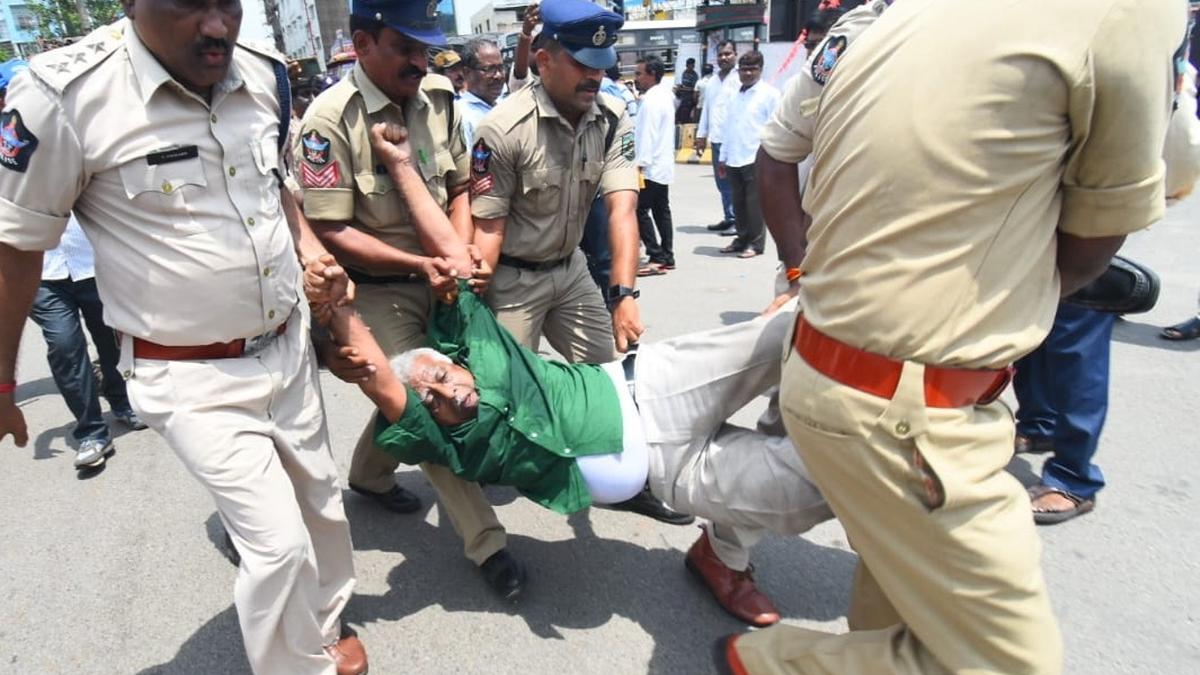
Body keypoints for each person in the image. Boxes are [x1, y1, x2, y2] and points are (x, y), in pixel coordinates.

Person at [724, 1, 1186, 674]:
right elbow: (1100, 234)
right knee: (1009, 661)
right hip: (911, 407)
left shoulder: (904, 15)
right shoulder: (1123, 11)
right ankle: (769, 659)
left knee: (902, 609)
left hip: (841, 368)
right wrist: (1008, 296)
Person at [320, 121, 835, 627]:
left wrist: (401, 163)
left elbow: (454, 256)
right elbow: (380, 378)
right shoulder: (450, 441)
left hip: (657, 388)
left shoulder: (475, 338)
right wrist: (336, 302)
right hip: (673, 472)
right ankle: (723, 554)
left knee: (800, 329)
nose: (445, 393)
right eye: (430, 402)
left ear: (452, 355)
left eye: (439, 375)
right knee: (817, 485)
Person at [0, 2, 373, 673]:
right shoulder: (63, 96)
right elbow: (18, 247)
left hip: (286, 351)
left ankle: (324, 619)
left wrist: (311, 249)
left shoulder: (262, 74)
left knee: (321, 504)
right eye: (188, 4)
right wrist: (1, 379)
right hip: (188, 373)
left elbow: (274, 185)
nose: (216, 26)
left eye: (227, 3)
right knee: (278, 544)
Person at [296, 0, 528, 598]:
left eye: (425, 48)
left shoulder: (437, 99)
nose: (420, 61)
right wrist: (418, 262)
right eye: (405, 47)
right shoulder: (328, 121)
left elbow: (457, 188)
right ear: (363, 43)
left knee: (400, 396)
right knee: (431, 402)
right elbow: (330, 230)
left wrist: (457, 249)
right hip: (373, 297)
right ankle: (488, 543)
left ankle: (369, 476)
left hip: (441, 285)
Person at [469, 0, 691, 526]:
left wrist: (624, 295)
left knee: (616, 373)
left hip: (570, 273)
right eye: (583, 62)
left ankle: (634, 480)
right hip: (512, 280)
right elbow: (488, 229)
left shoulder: (611, 118)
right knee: (492, 404)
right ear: (543, 59)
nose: (597, 73)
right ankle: (474, 519)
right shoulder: (502, 130)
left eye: (603, 61)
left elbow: (623, 208)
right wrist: (470, 309)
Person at [29, 216, 148, 470]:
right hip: (42, 276)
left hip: (94, 264)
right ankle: (92, 432)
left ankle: (123, 402)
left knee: (111, 338)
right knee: (64, 346)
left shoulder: (74, 174)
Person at [716, 50, 780, 259]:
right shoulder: (736, 95)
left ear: (761, 70)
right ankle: (741, 238)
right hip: (734, 156)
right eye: (744, 69)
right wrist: (723, 157)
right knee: (739, 202)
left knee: (754, 204)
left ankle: (755, 243)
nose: (748, 73)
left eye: (753, 69)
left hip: (756, 157)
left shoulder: (769, 95)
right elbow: (729, 127)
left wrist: (770, 157)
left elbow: (776, 128)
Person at [633, 54, 676, 275]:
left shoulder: (651, 100)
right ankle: (667, 255)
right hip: (661, 164)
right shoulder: (663, 96)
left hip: (649, 166)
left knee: (638, 210)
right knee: (661, 210)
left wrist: (640, 165)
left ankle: (656, 256)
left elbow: (646, 136)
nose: (636, 78)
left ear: (652, 75)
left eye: (639, 73)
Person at [694, 40, 739, 235]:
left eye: (728, 54)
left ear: (735, 54)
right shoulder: (712, 81)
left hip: (735, 141)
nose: (724, 58)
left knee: (735, 182)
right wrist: (701, 136)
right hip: (717, 139)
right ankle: (729, 217)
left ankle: (739, 220)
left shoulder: (739, 79)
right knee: (722, 182)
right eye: (720, 55)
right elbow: (707, 110)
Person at [459, 38, 509, 148]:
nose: (498, 75)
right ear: (467, 72)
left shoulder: (507, 105)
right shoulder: (462, 115)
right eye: (489, 69)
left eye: (501, 68)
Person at [674, 56, 698, 123]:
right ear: (687, 65)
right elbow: (683, 84)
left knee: (686, 117)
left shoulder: (694, 75)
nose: (693, 66)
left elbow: (694, 89)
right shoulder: (684, 73)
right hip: (683, 97)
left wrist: (682, 88)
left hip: (689, 99)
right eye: (692, 65)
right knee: (678, 115)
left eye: (693, 65)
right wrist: (679, 87)